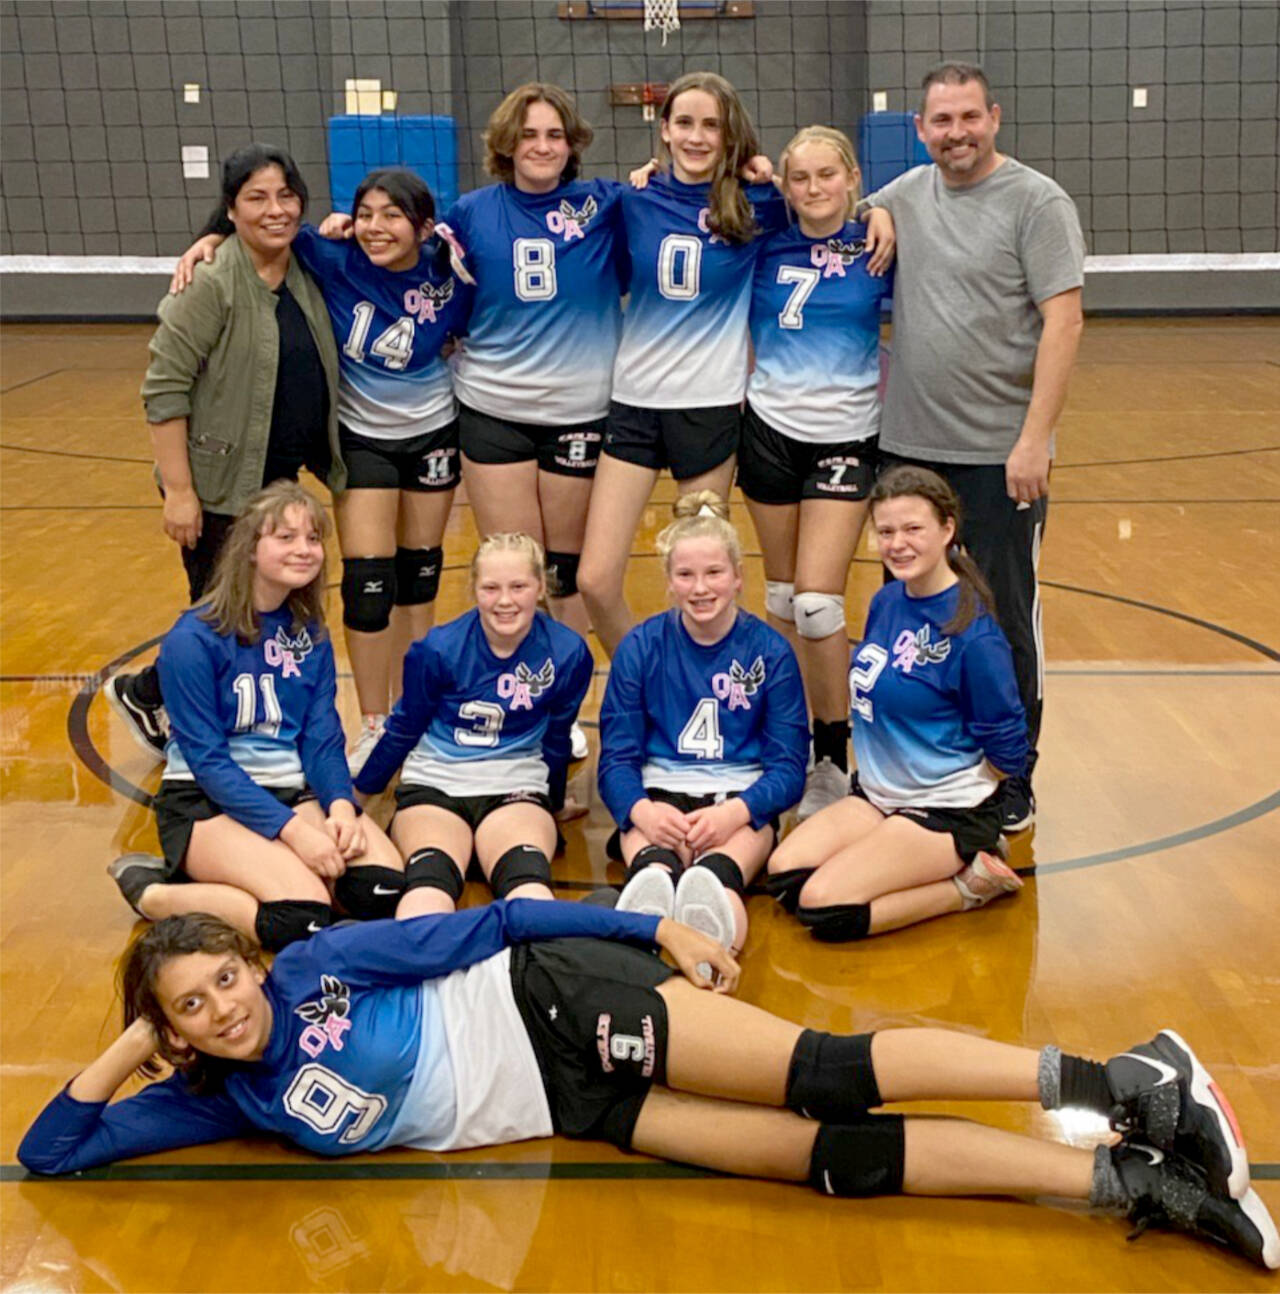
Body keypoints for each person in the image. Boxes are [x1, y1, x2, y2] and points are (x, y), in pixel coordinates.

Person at [17, 907, 1277, 1273]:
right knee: (827, 1158)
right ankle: (1125, 1178)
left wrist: (647, 928)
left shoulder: (322, 965)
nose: (228, 1007)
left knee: (815, 1073)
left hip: (551, 996)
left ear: (252, 962)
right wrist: (138, 1042)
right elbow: (53, 1149)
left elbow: (497, 918)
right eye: (193, 1007)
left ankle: (1119, 1079)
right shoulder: (224, 1098)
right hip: (574, 1105)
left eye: (224, 980)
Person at [168, 168, 472, 774]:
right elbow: (259, 226)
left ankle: (418, 712)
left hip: (436, 432)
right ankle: (376, 721)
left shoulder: (450, 269)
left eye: (392, 215)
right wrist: (207, 240)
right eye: (365, 213)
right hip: (362, 439)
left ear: (422, 225)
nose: (375, 227)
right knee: (367, 584)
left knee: (420, 577)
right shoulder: (328, 254)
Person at [864, 62, 1086, 832]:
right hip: (910, 449)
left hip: (1000, 453)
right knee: (914, 609)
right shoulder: (902, 197)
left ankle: (1015, 774)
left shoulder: (1036, 201)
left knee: (1003, 614)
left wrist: (1033, 440)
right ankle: (922, 761)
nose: (956, 133)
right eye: (940, 121)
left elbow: (1066, 321)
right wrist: (872, 209)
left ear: (993, 117)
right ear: (920, 130)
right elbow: (820, 200)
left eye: (968, 118)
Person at [108, 144, 346, 761]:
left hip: (276, 479)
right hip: (216, 482)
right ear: (231, 211)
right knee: (222, 614)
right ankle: (154, 699)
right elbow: (163, 387)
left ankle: (215, 714)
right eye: (257, 198)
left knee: (258, 604)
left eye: (286, 196)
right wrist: (181, 493)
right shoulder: (212, 280)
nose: (276, 210)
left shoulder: (303, 269)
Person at [105, 482, 409, 952]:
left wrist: (341, 808)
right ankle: (159, 893)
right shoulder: (193, 639)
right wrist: (296, 836)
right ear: (249, 549)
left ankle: (271, 872)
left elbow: (321, 738)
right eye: (285, 538)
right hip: (207, 802)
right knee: (302, 919)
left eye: (312, 539)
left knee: (380, 891)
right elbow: (208, 763)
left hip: (289, 790)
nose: (304, 550)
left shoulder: (310, 633)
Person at [766, 465, 1029, 943]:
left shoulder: (974, 635)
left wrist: (951, 783)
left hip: (945, 810)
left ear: (947, 529)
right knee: (785, 877)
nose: (897, 544)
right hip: (877, 797)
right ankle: (898, 854)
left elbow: (1010, 749)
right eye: (886, 531)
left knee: (825, 909)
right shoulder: (888, 601)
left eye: (913, 529)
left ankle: (969, 884)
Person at [576, 72, 789, 657]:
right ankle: (648, 682)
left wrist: (878, 214)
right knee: (594, 579)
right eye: (685, 123)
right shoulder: (632, 200)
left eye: (711, 125)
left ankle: (710, 693)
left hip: (710, 410)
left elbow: (829, 204)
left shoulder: (758, 205)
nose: (697, 137)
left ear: (729, 136)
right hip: (635, 408)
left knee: (706, 581)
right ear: (664, 130)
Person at [741, 125, 894, 820]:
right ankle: (785, 740)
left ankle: (834, 755)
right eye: (799, 178)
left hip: (846, 436)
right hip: (768, 428)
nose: (812, 189)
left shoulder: (880, 241)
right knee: (778, 597)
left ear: (852, 176)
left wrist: (884, 209)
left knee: (817, 603)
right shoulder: (763, 235)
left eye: (826, 175)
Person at [598, 493, 808, 963]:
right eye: (685, 575)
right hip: (658, 795)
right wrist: (641, 812)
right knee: (654, 873)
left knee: (711, 882)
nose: (700, 588)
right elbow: (616, 759)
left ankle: (713, 979)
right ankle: (643, 954)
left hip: (739, 800)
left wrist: (736, 812)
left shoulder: (770, 652)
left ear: (738, 577)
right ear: (669, 583)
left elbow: (789, 769)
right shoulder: (640, 647)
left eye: (714, 573)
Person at [351, 534, 594, 913]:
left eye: (519, 586)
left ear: (541, 586)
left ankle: (528, 970)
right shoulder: (437, 649)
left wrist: (555, 800)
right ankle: (417, 970)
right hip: (436, 785)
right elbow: (403, 729)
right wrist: (356, 800)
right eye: (490, 588)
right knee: (430, 881)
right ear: (473, 588)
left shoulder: (568, 652)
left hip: (516, 786)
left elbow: (557, 737)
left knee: (528, 885)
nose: (505, 601)